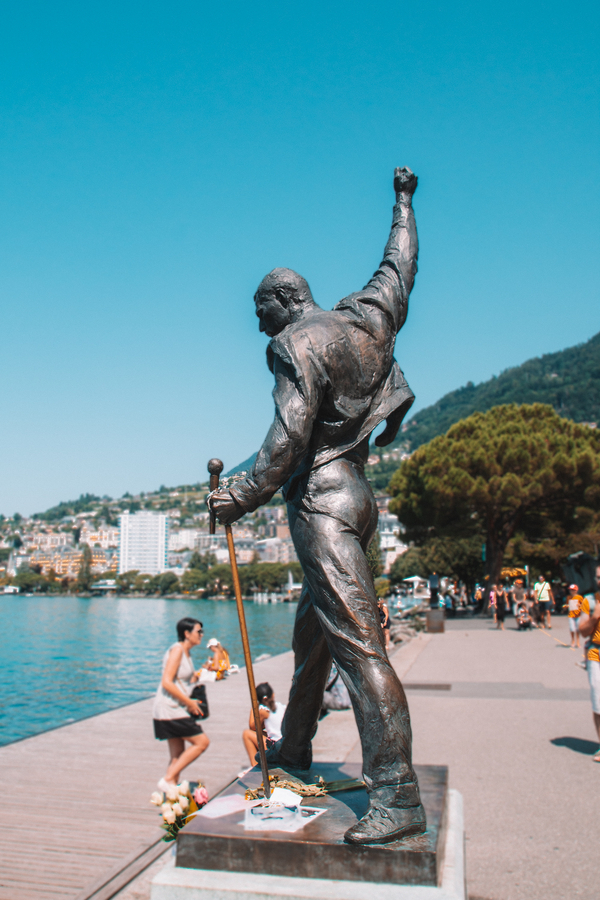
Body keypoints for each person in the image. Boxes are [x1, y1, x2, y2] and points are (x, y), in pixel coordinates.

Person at [211, 167, 425, 844]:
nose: (256, 321)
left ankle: (397, 797)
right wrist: (402, 205)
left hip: (324, 506)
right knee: (313, 643)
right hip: (360, 502)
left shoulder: (294, 344)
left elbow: (286, 442)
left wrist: (237, 495)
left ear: (282, 299)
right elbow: (400, 266)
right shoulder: (366, 319)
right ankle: (295, 746)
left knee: (360, 648)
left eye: (258, 309)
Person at [152, 617, 210, 790]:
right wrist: (189, 703)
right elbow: (167, 682)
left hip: (175, 707)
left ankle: (171, 795)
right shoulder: (177, 650)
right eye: (198, 631)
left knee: (177, 756)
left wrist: (202, 671)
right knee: (202, 742)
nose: (201, 635)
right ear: (186, 633)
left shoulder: (186, 652)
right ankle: (168, 779)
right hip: (170, 709)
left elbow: (183, 680)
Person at [577, 592, 600, 762]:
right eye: (598, 577)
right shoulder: (589, 601)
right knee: (598, 702)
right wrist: (594, 618)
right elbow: (583, 631)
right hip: (595, 652)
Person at [242, 682, 286, 765]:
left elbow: (252, 727)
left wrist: (254, 707)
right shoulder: (281, 706)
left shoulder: (262, 711)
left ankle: (254, 766)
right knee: (261, 732)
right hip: (285, 744)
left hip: (276, 748)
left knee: (247, 734)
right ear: (273, 695)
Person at [564, 584, 583, 649]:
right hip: (571, 615)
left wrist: (579, 605)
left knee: (578, 629)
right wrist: (565, 607)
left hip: (578, 615)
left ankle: (578, 642)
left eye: (573, 590)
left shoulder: (579, 597)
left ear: (576, 590)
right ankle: (573, 640)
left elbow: (583, 605)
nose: (571, 591)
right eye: (570, 590)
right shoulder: (568, 597)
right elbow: (566, 605)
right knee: (572, 629)